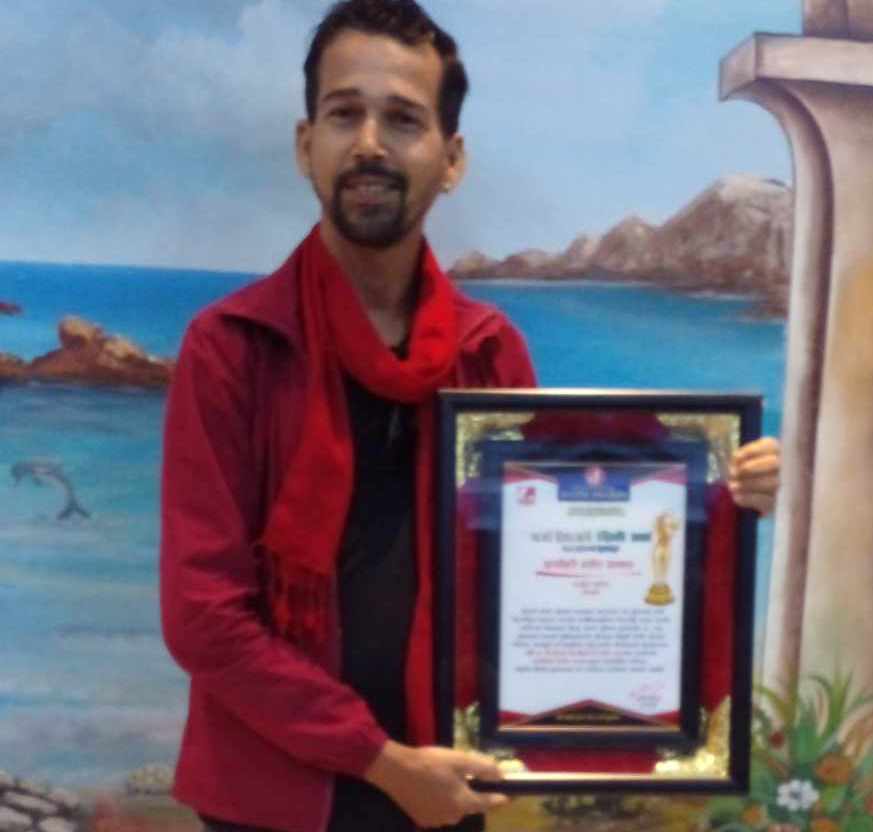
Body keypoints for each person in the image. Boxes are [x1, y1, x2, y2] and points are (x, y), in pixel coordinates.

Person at [159, 2, 781, 831]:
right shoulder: (232, 348)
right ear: (306, 145)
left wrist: (722, 489)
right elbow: (203, 621)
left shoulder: (490, 353)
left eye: (403, 119)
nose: (370, 143)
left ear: (450, 160)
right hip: (272, 800)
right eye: (344, 114)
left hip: (449, 786)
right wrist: (381, 762)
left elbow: (569, 536)